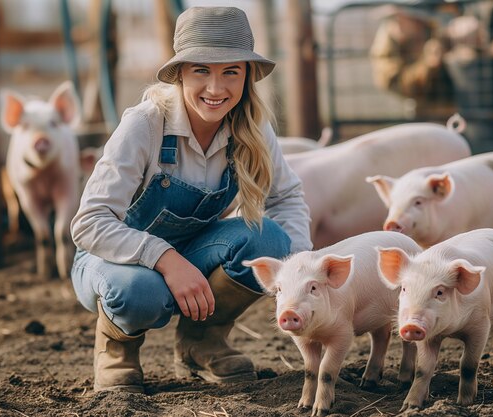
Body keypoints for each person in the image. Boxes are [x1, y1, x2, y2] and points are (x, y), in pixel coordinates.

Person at [70, 6, 312, 393]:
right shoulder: (145, 124)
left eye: (230, 71)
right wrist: (165, 260)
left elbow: (287, 197)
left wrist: (300, 271)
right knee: (140, 292)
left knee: (270, 241)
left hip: (194, 253)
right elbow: (89, 222)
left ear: (247, 75)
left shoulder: (250, 127)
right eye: (201, 70)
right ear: (180, 72)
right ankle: (117, 351)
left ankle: (201, 341)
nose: (216, 89)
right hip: (111, 261)